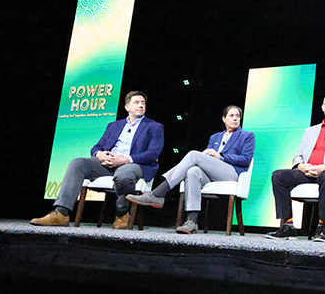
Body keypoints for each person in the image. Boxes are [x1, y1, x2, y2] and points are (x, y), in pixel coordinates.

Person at [30, 90, 164, 229]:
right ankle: (61, 213)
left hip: (134, 164)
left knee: (124, 174)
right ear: (127, 107)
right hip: (107, 164)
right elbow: (97, 146)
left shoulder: (154, 127)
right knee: (78, 163)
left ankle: (122, 213)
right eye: (136, 102)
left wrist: (124, 159)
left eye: (143, 103)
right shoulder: (114, 126)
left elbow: (153, 153)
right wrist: (99, 154)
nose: (141, 105)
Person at [125, 105, 255, 234]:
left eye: (237, 116)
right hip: (213, 173)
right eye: (231, 116)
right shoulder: (215, 137)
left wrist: (220, 156)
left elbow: (245, 159)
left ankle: (159, 192)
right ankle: (192, 221)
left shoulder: (247, 136)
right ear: (224, 119)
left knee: (193, 155)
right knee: (192, 171)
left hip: (232, 173)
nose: (235, 118)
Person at [266, 93, 325, 242]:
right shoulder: (310, 131)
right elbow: (298, 156)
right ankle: (288, 225)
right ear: (323, 107)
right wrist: (301, 166)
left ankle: (322, 227)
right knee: (278, 176)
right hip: (308, 173)